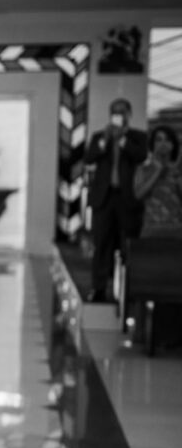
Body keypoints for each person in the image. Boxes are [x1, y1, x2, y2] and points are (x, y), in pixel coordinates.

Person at [83, 98, 147, 302]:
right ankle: (99, 288)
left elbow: (141, 156)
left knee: (127, 244)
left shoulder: (138, 137)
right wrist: (106, 140)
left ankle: (126, 290)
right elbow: (89, 158)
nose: (119, 115)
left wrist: (122, 140)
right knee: (102, 243)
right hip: (105, 198)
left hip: (127, 199)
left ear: (129, 114)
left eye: (122, 111)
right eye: (115, 111)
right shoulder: (100, 137)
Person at [133, 125, 182, 238]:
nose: (163, 143)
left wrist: (177, 172)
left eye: (167, 140)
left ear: (173, 145)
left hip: (176, 229)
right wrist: (157, 172)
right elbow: (138, 195)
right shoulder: (142, 170)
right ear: (152, 145)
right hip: (150, 229)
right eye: (159, 139)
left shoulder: (178, 170)